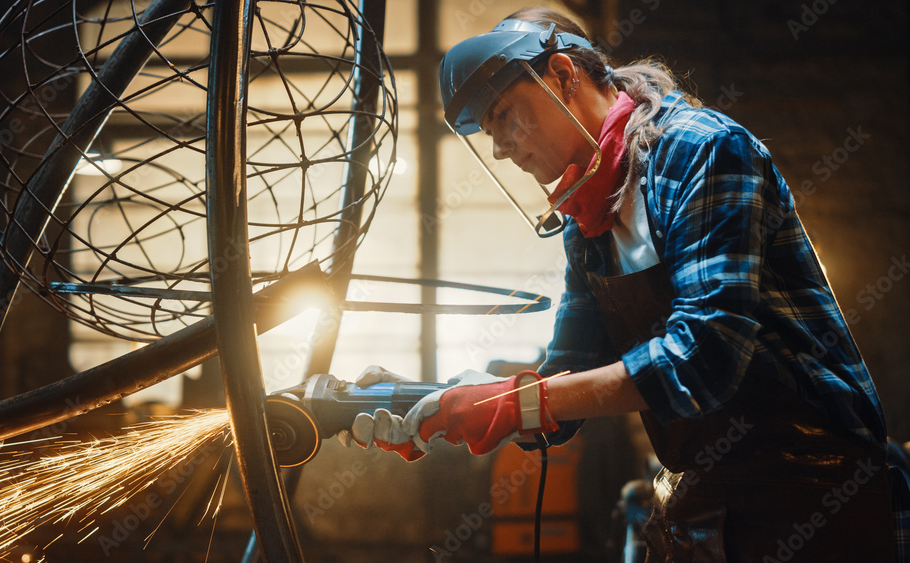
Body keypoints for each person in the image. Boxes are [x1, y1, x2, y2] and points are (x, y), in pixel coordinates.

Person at [341, 7, 908, 561]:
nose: (500, 147)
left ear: (563, 75)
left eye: (505, 115)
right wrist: (434, 399)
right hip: (706, 495)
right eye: (489, 131)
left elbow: (706, 355)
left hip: (813, 485)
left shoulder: (702, 150)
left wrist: (515, 403)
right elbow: (567, 379)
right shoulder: (587, 212)